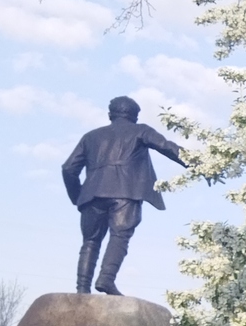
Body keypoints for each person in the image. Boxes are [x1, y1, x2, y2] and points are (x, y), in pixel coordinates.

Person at [61, 96, 187, 296]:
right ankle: (106, 279)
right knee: (120, 235)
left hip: (92, 194)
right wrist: (198, 163)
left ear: (110, 114)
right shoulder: (141, 130)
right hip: (126, 192)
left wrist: (78, 196)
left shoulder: (91, 137)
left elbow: (68, 168)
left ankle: (82, 289)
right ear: (135, 116)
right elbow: (167, 147)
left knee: (90, 241)